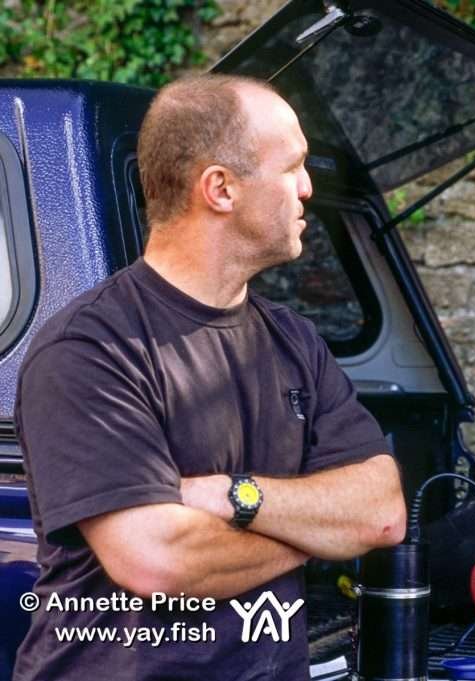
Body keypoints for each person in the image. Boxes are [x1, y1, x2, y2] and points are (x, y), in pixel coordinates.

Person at [14, 75, 406, 680]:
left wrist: (231, 495)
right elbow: (158, 561)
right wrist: (317, 533)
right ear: (220, 188)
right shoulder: (90, 349)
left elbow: (380, 513)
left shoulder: (293, 340)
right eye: (292, 167)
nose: (307, 188)